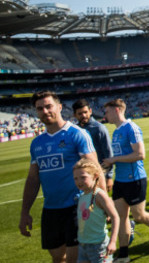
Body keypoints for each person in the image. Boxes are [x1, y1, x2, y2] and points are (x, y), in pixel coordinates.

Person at [19, 91, 103, 263]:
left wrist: (102, 202)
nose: (45, 111)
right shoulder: (37, 143)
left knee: (75, 258)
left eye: (49, 106)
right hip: (51, 210)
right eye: (40, 108)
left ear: (59, 107)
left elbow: (95, 170)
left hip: (77, 206)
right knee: (58, 258)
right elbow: (33, 179)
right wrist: (24, 212)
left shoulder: (77, 134)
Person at [100, 99, 149, 262]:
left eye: (107, 111)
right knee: (121, 217)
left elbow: (140, 154)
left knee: (139, 216)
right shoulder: (117, 131)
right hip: (120, 180)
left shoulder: (131, 128)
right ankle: (124, 254)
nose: (105, 115)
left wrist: (114, 159)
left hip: (135, 179)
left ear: (117, 110)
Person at [73, 159, 120, 263]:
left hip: (99, 246)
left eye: (83, 177)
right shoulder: (81, 196)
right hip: (83, 245)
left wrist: (112, 242)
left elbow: (115, 217)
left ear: (94, 176)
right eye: (76, 178)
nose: (79, 181)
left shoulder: (99, 195)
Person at [73, 99, 114, 192]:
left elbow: (108, 154)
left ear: (90, 111)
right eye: (80, 113)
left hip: (97, 175)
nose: (83, 115)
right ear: (74, 115)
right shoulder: (75, 131)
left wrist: (109, 177)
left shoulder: (99, 128)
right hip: (81, 177)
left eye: (85, 112)